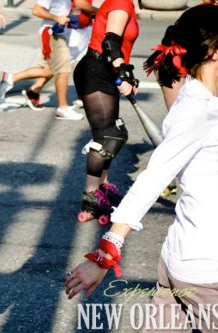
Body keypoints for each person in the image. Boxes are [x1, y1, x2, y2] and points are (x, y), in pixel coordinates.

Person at [66, 5, 218, 332]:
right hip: (205, 269)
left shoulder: (213, 99)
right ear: (215, 51)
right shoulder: (198, 110)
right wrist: (107, 251)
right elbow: (152, 179)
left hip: (182, 258)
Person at [72, 0, 139, 219]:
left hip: (105, 70)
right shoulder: (121, 2)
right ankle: (91, 196)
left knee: (115, 134)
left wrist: (125, 71)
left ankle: (103, 186)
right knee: (106, 137)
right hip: (97, 70)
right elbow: (110, 41)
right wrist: (123, 72)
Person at [0, 0, 97, 113]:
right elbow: (36, 10)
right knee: (63, 70)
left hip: (62, 33)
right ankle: (62, 108)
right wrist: (56, 18)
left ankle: (20, 84)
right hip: (52, 33)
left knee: (49, 69)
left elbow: (74, 6)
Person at [146, 0, 218, 110]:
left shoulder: (216, 12)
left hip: (189, 63)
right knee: (179, 113)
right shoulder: (204, 12)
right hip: (174, 63)